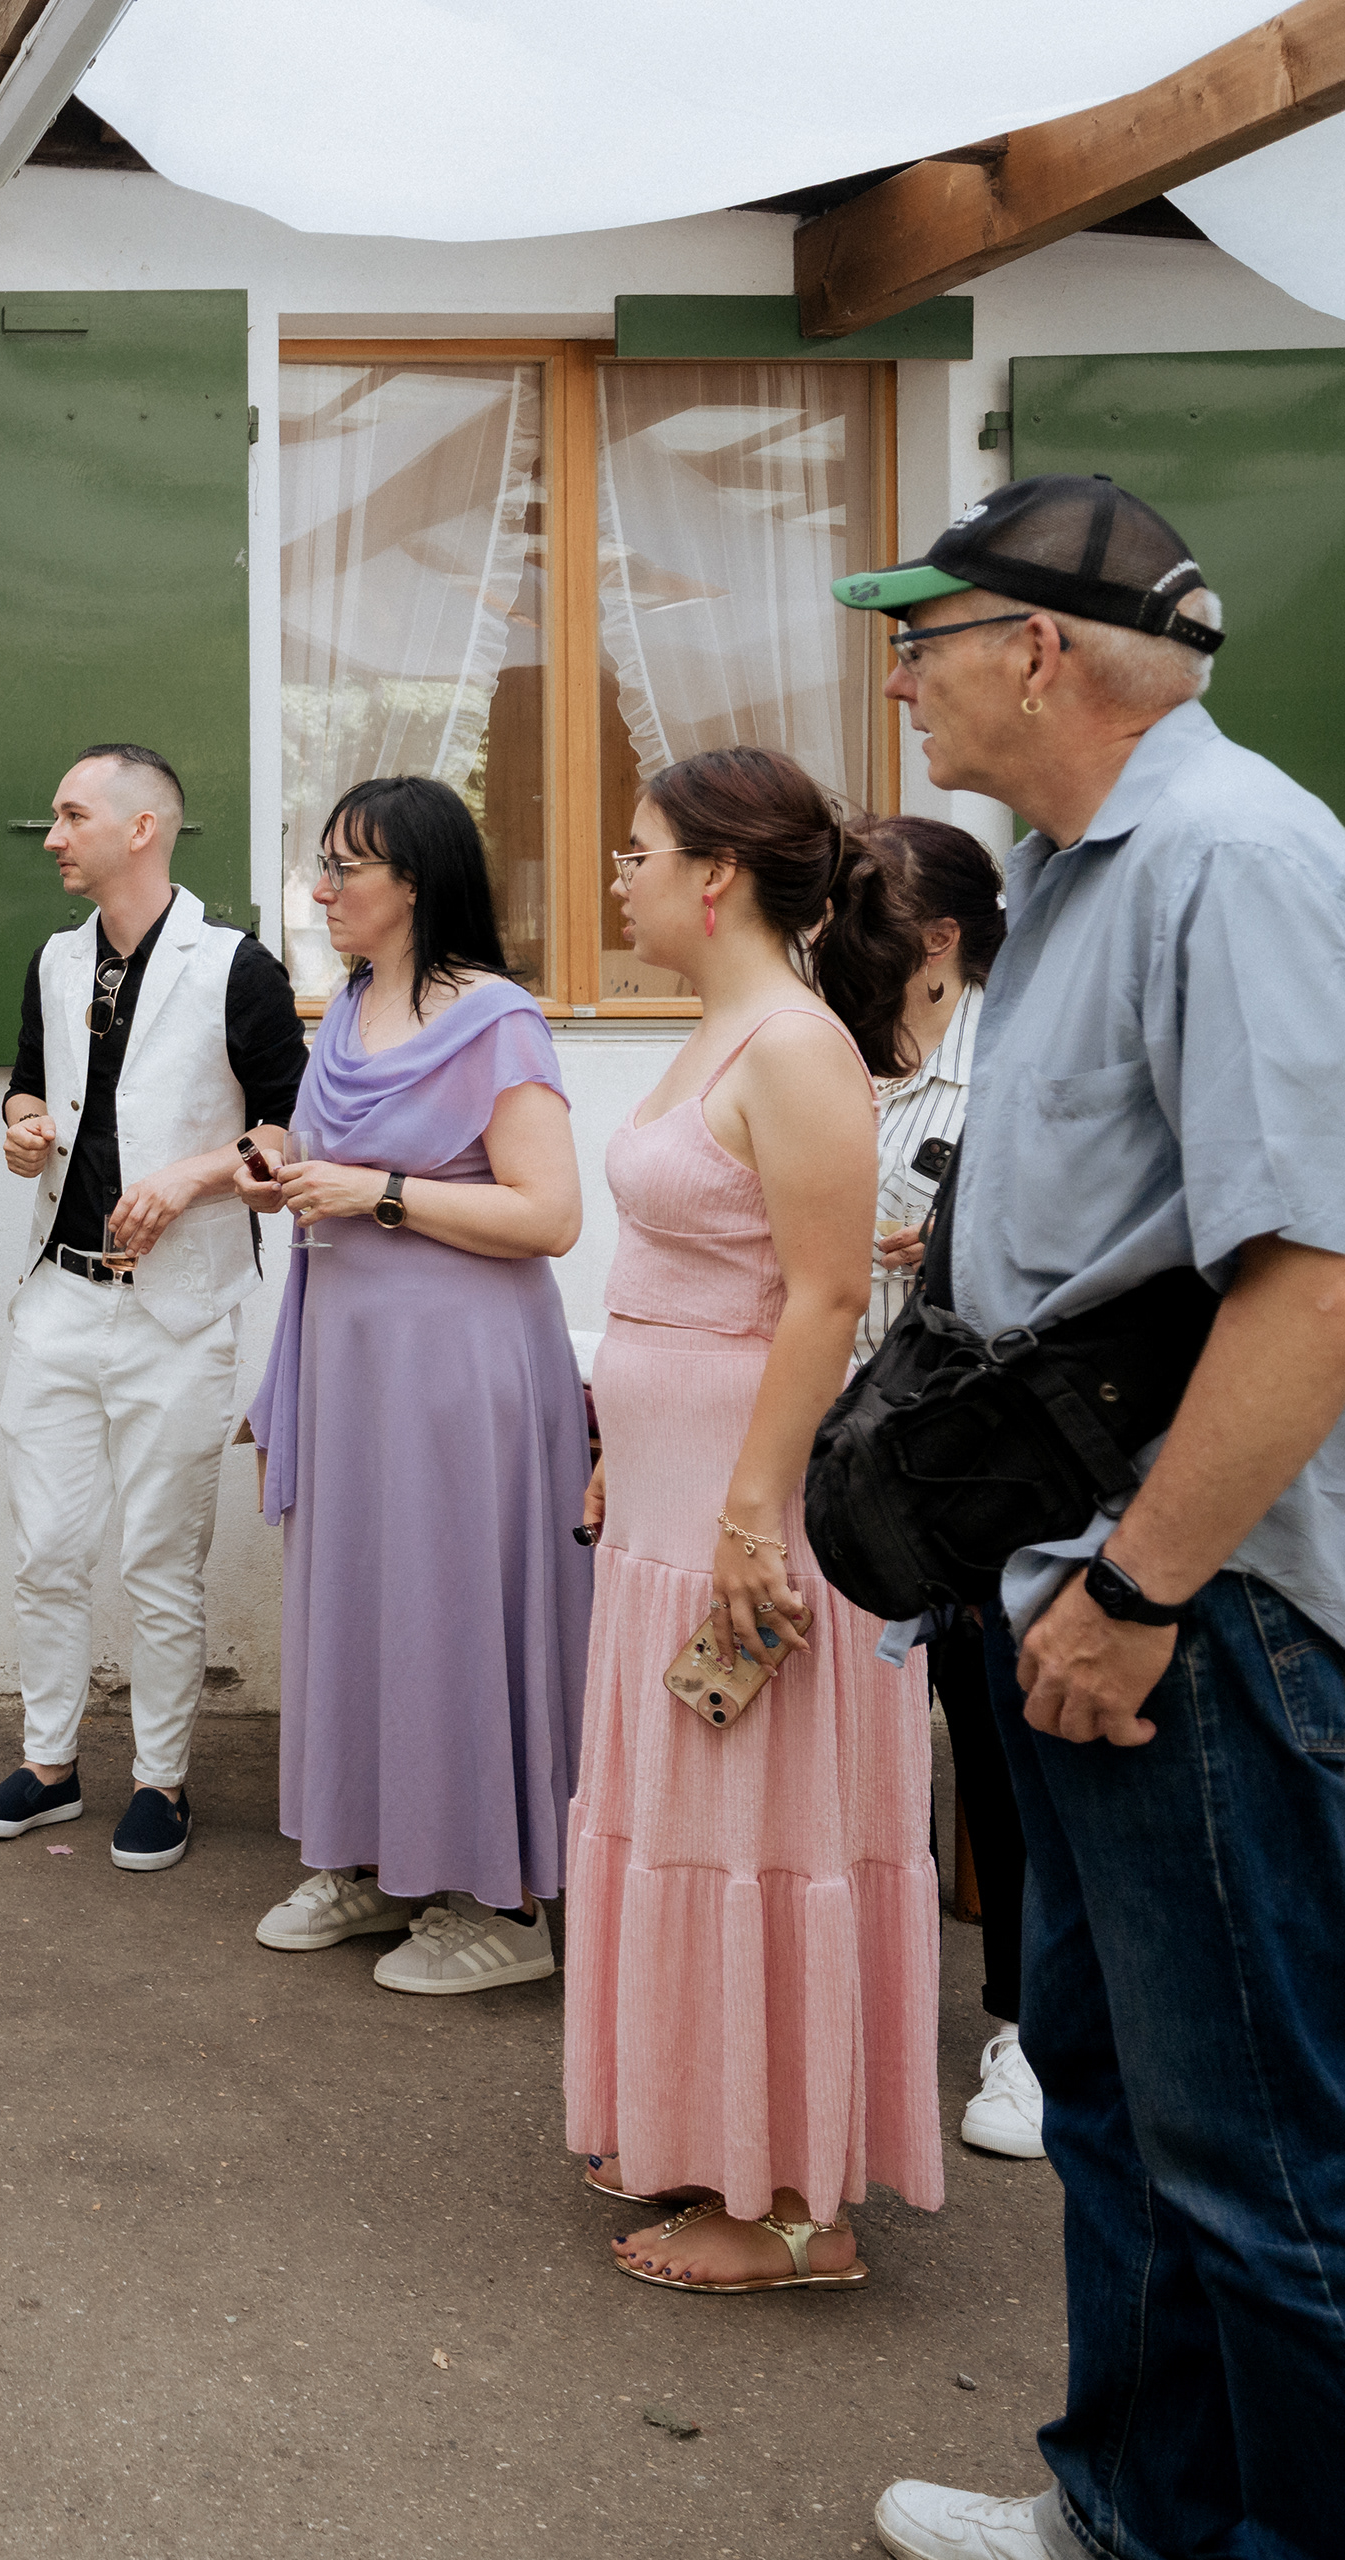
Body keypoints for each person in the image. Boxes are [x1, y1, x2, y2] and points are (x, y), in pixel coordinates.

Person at [838, 479, 1345, 2560]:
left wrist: (1140, 1590)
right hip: (1072, 1595)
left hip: (1192, 1621)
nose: (900, 677)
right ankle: (1130, 2513)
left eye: (923, 637)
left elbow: (1312, 1285)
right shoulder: (1069, 872)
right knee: (1116, 2102)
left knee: (1268, 2171)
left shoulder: (1237, 861)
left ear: (1040, 651)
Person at [567, 743, 938, 2295]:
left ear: (715, 876)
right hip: (676, 1503)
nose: (618, 878)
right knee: (692, 1816)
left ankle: (795, 2212)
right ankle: (706, 2130)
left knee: (759, 1827)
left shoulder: (793, 1047)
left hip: (745, 1509)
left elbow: (829, 1297)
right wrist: (627, 1452)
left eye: (638, 852)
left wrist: (744, 1518)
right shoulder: (718, 1030)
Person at [234, 777, 587, 1983]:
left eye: (346, 868)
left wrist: (377, 1193)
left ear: (417, 882)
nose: (322, 889)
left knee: (451, 1606)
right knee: (362, 1599)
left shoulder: (498, 1018)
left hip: (457, 1369)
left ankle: (499, 1905)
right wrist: (284, 1161)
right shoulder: (349, 1004)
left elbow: (548, 1215)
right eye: (322, 865)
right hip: (351, 1358)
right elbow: (332, 1154)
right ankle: (374, 1857)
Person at [0, 745, 305, 1871]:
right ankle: (48, 1768)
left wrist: (196, 1174)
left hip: (180, 1313)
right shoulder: (57, 960)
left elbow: (288, 1137)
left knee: (160, 1563)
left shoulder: (237, 966)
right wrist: (20, 1124)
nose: (52, 836)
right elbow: (26, 1077)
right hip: (58, 1296)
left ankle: (162, 1783)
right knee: (47, 1552)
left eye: (71, 815)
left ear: (142, 827)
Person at [854, 814, 1040, 2164]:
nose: (828, 933)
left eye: (856, 910)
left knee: (998, 1752)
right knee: (855, 1747)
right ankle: (865, 1996)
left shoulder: (1013, 1062)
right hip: (846, 1452)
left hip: (973, 1464)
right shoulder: (833, 1055)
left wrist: (959, 1245)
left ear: (936, 940)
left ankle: (1028, 2028)